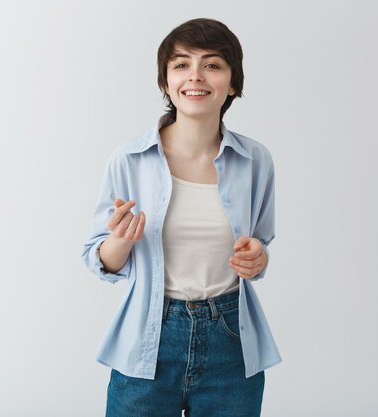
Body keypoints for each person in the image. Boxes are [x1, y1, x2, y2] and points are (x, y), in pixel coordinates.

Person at [81, 18, 281, 417]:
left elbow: (259, 248)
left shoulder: (255, 160)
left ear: (233, 83)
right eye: (181, 64)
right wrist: (121, 240)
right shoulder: (130, 160)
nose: (196, 76)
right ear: (166, 82)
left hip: (230, 340)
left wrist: (257, 257)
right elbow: (98, 259)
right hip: (149, 338)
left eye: (212, 64)